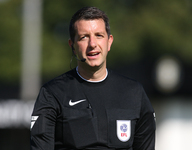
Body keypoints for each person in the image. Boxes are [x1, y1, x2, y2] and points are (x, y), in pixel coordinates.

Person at [30, 6, 156, 150]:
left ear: (109, 41)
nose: (92, 44)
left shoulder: (134, 93)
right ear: (72, 45)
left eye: (99, 35)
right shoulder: (52, 93)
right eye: (84, 37)